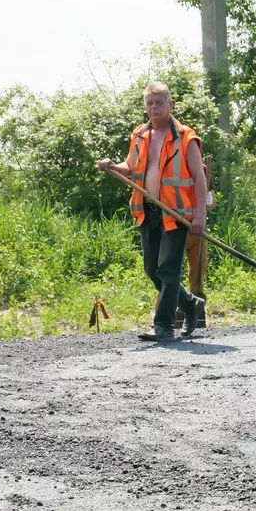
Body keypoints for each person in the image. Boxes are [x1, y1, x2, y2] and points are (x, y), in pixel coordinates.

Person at [97, 81, 207, 342]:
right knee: (152, 270)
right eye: (150, 103)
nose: (154, 107)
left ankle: (163, 326)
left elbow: (199, 178)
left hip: (176, 213)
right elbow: (130, 167)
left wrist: (200, 214)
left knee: (168, 270)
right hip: (147, 211)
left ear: (171, 105)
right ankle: (190, 303)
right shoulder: (139, 134)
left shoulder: (186, 137)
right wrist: (113, 166)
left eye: (159, 102)